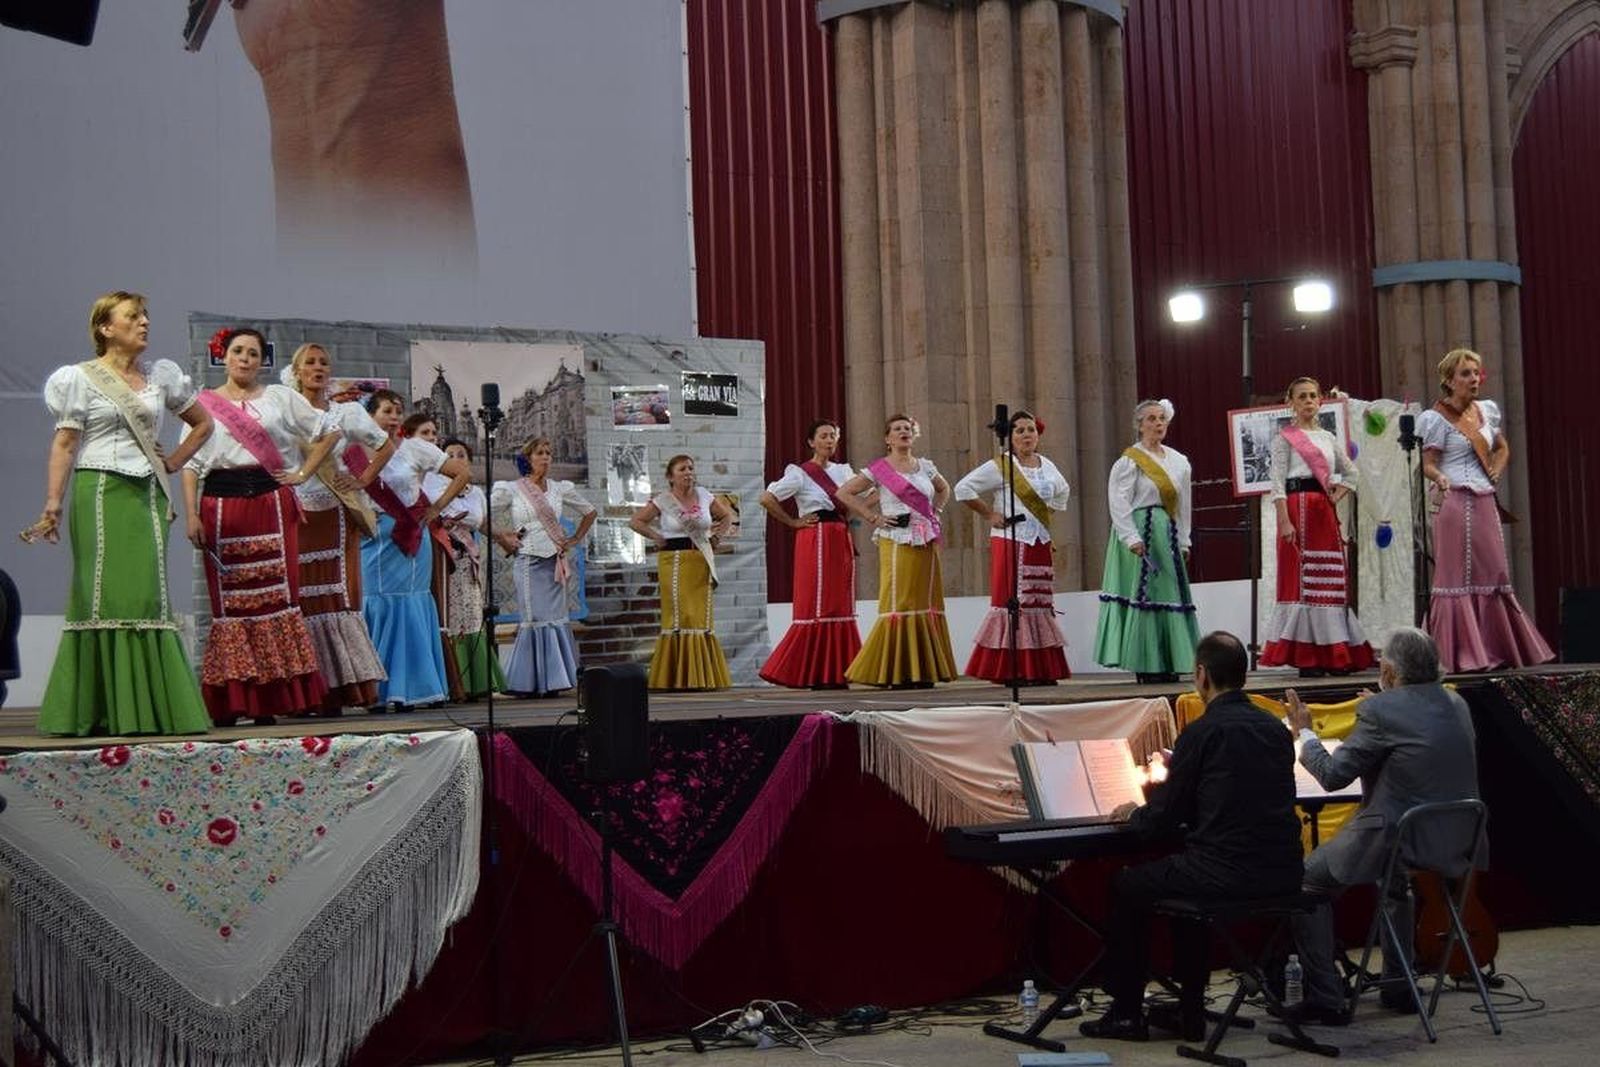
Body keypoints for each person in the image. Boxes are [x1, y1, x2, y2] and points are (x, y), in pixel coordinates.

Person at [1080, 631, 1304, 1042]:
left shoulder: (1202, 733)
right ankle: (1189, 1009)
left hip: (1227, 873)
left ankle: (1127, 1011)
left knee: (1128, 884)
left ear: (1201, 675)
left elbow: (1167, 816)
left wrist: (1135, 815)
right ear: (1245, 676)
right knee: (1187, 879)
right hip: (1284, 872)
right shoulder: (1275, 730)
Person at [26, 291, 214, 736]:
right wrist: (52, 503)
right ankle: (100, 707)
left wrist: (173, 461)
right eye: (133, 316)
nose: (144, 322)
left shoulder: (159, 377)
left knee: (147, 596)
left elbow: (203, 423)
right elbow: (66, 443)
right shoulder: (80, 378)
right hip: (99, 490)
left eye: (145, 315)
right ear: (106, 328)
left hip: (147, 492)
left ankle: (149, 707)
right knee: (101, 595)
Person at [1285, 626, 1481, 1023]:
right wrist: (1387, 707)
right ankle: (1399, 984)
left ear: (1389, 673)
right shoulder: (1457, 703)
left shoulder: (1380, 712)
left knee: (1307, 881)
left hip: (1396, 836)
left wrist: (1304, 731)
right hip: (1459, 839)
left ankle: (1324, 997)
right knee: (1395, 881)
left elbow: (1333, 775)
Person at [181, 327, 338, 724]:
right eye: (238, 351)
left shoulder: (280, 398)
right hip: (221, 505)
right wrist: (191, 513)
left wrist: (303, 472)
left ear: (262, 360)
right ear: (224, 356)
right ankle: (234, 699)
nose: (245, 358)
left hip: (271, 501)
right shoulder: (202, 403)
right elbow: (190, 464)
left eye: (253, 352)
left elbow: (328, 432)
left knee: (277, 598)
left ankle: (271, 700)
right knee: (230, 605)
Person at [1419, 349, 1554, 672]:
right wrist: (1440, 478)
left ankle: (1494, 648)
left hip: (1483, 500)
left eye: (1476, 372)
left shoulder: (1486, 411)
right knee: (1454, 577)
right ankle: (1458, 654)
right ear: (1449, 381)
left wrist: (1496, 466)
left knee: (1493, 572)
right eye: (1465, 373)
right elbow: (1428, 464)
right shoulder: (1435, 418)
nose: (1473, 379)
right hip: (1453, 501)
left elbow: (1502, 446)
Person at [284, 344, 394, 714]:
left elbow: (384, 446)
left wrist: (362, 480)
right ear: (296, 371)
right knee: (295, 594)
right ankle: (301, 693)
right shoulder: (283, 409)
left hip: (333, 509)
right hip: (294, 510)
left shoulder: (344, 412)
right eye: (309, 363)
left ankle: (338, 688)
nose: (317, 368)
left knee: (332, 594)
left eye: (323, 363)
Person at [357, 395, 471, 708]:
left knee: (410, 603)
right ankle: (376, 690)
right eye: (386, 411)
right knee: (374, 602)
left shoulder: (414, 448)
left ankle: (417, 687)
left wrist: (436, 507)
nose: (393, 417)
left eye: (397, 412)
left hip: (409, 535)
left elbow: (462, 473)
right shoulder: (354, 450)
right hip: (370, 536)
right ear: (370, 416)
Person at [1258, 377, 1374, 676]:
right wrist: (1284, 520)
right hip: (1297, 509)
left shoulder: (1328, 438)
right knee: (1303, 582)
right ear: (1291, 403)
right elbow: (1277, 484)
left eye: (1313, 396)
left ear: (1320, 400)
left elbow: (1351, 473)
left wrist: (1337, 494)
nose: (1309, 401)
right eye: (1302, 397)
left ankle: (1333, 654)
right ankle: (1307, 656)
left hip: (1323, 511)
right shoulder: (1285, 438)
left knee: (1330, 582)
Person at [835, 414, 958, 688]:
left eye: (908, 428)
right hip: (896, 538)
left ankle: (922, 670)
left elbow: (944, 488)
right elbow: (844, 494)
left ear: (913, 435)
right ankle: (894, 671)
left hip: (925, 538)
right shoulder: (878, 470)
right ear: (887, 438)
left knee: (924, 601)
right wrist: (872, 517)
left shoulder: (925, 466)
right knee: (899, 601)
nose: (904, 432)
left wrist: (935, 511)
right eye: (897, 429)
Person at [953, 410, 1072, 684]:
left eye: (1031, 430)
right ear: (1011, 436)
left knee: (1038, 601)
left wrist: (1047, 512)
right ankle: (1013, 669)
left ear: (1038, 434)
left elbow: (1063, 490)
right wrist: (989, 514)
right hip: (1010, 540)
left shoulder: (1047, 465)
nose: (1026, 435)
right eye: (1019, 431)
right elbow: (963, 489)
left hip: (1039, 540)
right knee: (1013, 602)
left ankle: (1040, 669)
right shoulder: (1001, 465)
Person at [1093, 399, 1201, 684]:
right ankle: (1147, 663)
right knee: (1145, 595)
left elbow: (1183, 505)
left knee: (1169, 595)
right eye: (1151, 419)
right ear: (1139, 425)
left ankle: (1170, 660)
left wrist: (1185, 540)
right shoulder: (1130, 461)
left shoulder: (1179, 462)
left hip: (1167, 533)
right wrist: (1130, 536)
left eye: (1162, 418)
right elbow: (1118, 500)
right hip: (1140, 532)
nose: (1158, 423)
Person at [757, 418, 861, 688]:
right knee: (818, 601)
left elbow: (866, 496)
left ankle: (839, 671)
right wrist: (792, 522)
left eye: (833, 436)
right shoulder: (800, 473)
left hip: (839, 535)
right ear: (811, 442)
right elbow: (767, 498)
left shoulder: (845, 472)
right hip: (815, 536)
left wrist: (864, 511)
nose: (829, 440)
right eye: (824, 436)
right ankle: (812, 671)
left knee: (839, 602)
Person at [492, 436, 596, 697]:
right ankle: (530, 681)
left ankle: (554, 680)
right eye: (540, 453)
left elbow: (590, 511)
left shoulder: (560, 489)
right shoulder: (512, 489)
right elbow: (484, 513)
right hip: (528, 559)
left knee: (554, 618)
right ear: (527, 458)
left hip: (555, 561)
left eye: (549, 453)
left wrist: (575, 539)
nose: (546, 457)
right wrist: (503, 535)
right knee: (534, 617)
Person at [629, 454, 733, 690]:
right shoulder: (663, 500)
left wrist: (717, 536)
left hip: (700, 560)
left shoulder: (705, 495)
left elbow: (727, 515)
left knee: (700, 617)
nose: (688, 472)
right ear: (670, 476)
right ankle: (677, 676)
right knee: (680, 616)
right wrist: (656, 536)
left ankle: (702, 676)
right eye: (682, 469)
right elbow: (636, 521)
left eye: (691, 468)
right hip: (674, 561)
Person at [432, 437, 508, 699]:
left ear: (470, 461)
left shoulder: (476, 493)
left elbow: (483, 523)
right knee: (451, 617)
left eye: (461, 454)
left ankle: (478, 681)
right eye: (450, 455)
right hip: (444, 558)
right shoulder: (434, 487)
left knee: (473, 614)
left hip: (470, 561)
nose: (456, 458)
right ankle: (456, 683)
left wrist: (504, 537)